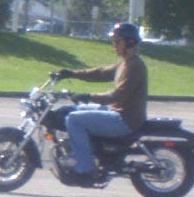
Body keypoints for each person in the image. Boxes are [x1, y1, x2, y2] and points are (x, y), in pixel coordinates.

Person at [58, 22, 149, 186]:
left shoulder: (134, 66)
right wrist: (72, 73)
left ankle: (85, 169)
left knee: (74, 120)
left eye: (118, 42)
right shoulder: (125, 63)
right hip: (116, 112)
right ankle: (88, 152)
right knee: (72, 110)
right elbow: (101, 73)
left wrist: (88, 96)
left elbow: (117, 96)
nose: (114, 45)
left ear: (130, 43)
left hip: (124, 120)